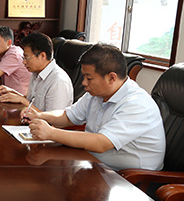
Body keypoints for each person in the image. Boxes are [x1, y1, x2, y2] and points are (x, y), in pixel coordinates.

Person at [26, 43, 165, 171]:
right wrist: (39, 115)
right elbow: (68, 116)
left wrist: (51, 133)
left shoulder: (136, 104)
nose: (84, 83)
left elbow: (101, 143)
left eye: (89, 78)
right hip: (96, 164)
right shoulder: (96, 94)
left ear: (111, 78)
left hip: (130, 178)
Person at [0, 32, 73, 112]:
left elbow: (53, 117)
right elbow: (31, 102)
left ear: (42, 56)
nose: (24, 62)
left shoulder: (58, 81)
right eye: (23, 58)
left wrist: (23, 100)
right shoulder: (36, 72)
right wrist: (14, 93)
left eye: (27, 57)